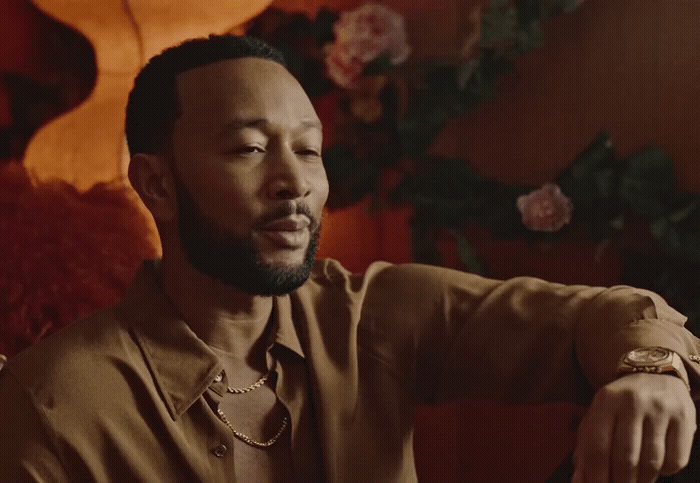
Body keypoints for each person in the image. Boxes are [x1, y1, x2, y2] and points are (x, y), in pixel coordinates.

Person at [0, 34, 698, 483]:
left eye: (308, 149)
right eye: (249, 148)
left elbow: (608, 317)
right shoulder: (53, 404)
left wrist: (653, 373)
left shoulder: (372, 315)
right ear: (156, 184)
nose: (294, 181)